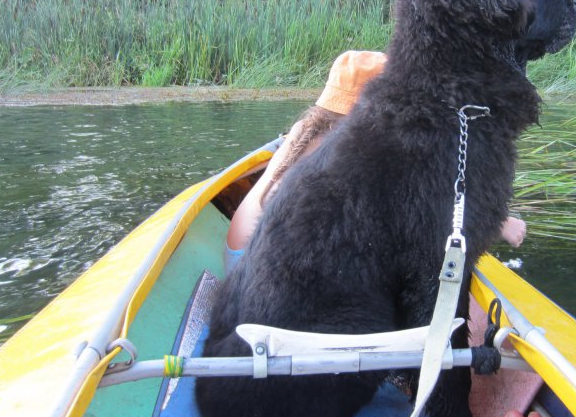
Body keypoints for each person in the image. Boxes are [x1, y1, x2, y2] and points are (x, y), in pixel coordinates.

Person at [225, 49, 528, 273]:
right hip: (263, 272)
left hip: (236, 262)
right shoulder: (350, 153)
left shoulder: (304, 130)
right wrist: (498, 224)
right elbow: (420, 219)